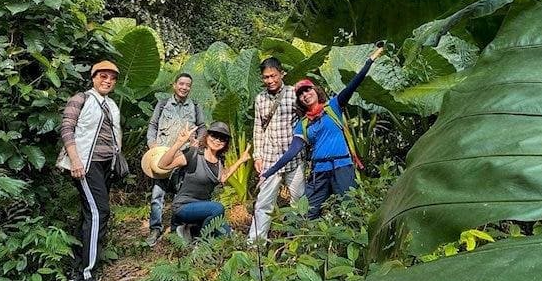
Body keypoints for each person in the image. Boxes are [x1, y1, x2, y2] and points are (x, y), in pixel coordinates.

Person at [260, 45, 385, 218]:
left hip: (342, 167)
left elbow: (353, 84)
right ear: (299, 101)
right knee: (305, 213)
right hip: (319, 172)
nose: (305, 94)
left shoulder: (333, 107)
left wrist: (370, 61)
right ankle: (309, 235)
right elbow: (292, 152)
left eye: (308, 90)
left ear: (315, 91)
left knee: (349, 211)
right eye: (301, 94)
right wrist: (269, 172)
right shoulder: (303, 124)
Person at [58, 60, 124, 281]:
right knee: (99, 213)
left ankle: (76, 266)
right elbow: (67, 129)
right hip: (87, 164)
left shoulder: (111, 105)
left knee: (89, 214)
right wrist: (75, 161)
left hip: (106, 165)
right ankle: (84, 276)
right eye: (103, 76)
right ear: (94, 77)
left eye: (112, 78)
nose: (108, 81)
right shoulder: (81, 98)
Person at [155, 121, 252, 240]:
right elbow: (163, 165)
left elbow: (223, 177)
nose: (217, 140)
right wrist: (179, 143)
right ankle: (199, 242)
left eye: (222, 138)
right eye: (214, 135)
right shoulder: (193, 154)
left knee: (227, 235)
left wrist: (241, 160)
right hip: (183, 207)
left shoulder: (219, 161)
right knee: (218, 208)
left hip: (203, 210)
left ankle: (190, 230)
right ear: (206, 136)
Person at [248, 57, 305, 241]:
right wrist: (257, 156)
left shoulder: (294, 93)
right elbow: (258, 128)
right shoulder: (260, 99)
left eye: (273, 76)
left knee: (298, 202)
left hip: (293, 158)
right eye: (266, 77)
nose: (270, 80)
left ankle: (296, 240)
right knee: (263, 203)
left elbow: (305, 120)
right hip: (270, 159)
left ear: (281, 74)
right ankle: (255, 243)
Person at [146, 73, 205, 246]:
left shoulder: (195, 106)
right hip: (162, 156)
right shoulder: (163, 104)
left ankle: (176, 228)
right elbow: (153, 125)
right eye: (181, 84)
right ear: (174, 85)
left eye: (188, 85)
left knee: (181, 195)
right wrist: (152, 144)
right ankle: (155, 228)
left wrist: (198, 142)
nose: (184, 87)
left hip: (185, 157)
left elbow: (202, 127)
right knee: (157, 195)